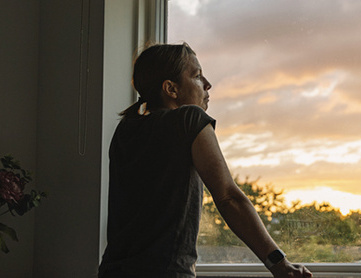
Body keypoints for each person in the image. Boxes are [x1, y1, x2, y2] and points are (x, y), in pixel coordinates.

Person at [98, 43, 313, 278]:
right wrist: (279, 264)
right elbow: (228, 198)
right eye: (197, 76)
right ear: (171, 88)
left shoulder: (125, 130)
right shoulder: (189, 119)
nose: (208, 84)